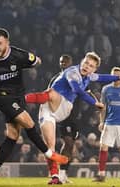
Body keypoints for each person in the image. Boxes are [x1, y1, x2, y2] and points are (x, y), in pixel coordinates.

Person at [0, 27, 68, 186]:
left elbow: (37, 61)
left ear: (7, 43)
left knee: (12, 135)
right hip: (1, 97)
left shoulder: (18, 55)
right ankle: (50, 154)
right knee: (29, 123)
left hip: (18, 96)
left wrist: (33, 63)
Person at [25, 52, 120, 184]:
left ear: (94, 69)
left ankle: (22, 99)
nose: (87, 66)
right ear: (82, 61)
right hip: (46, 110)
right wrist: (95, 103)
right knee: (50, 147)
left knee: (51, 93)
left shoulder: (87, 76)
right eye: (86, 63)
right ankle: (55, 177)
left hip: (63, 107)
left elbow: (102, 78)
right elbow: (77, 90)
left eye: (91, 65)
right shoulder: (72, 72)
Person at [92, 67, 120, 183]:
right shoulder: (106, 89)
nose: (116, 77)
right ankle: (101, 174)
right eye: (114, 75)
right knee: (103, 147)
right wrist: (101, 121)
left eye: (118, 75)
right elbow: (103, 107)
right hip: (109, 123)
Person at [48, 55, 80, 184]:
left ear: (71, 63)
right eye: (61, 62)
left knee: (71, 146)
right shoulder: (56, 79)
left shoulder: (76, 77)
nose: (63, 64)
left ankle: (64, 174)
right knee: (68, 143)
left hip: (74, 116)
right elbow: (48, 93)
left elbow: (82, 92)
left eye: (66, 62)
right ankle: (60, 174)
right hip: (61, 116)